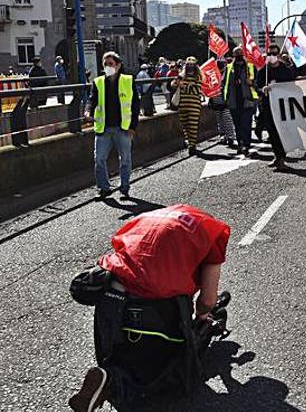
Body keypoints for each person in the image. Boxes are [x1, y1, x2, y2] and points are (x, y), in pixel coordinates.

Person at [67, 204, 231, 412]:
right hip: (157, 308)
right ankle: (114, 383)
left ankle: (108, 373)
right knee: (168, 370)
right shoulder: (212, 232)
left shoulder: (149, 217)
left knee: (123, 349)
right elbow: (207, 300)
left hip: (111, 297)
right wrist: (202, 317)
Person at [84, 52, 139, 198]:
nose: (108, 67)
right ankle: (104, 188)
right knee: (99, 158)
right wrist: (87, 112)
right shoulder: (98, 82)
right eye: (105, 64)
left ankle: (124, 186)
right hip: (103, 127)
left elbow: (135, 105)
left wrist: (133, 126)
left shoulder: (128, 80)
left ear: (118, 65)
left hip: (123, 127)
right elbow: (92, 100)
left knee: (125, 159)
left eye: (111, 64)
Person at [256, 44, 295, 169]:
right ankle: (277, 156)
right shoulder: (263, 71)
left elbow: (292, 86)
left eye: (274, 54)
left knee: (282, 132)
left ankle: (281, 156)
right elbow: (257, 87)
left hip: (284, 107)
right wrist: (262, 89)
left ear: (278, 55)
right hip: (268, 107)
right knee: (272, 132)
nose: (271, 56)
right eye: (269, 54)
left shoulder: (286, 70)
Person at [224, 47, 257, 157]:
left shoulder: (250, 67)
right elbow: (224, 83)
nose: (238, 55)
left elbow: (257, 82)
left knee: (246, 125)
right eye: (236, 53)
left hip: (247, 101)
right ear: (233, 55)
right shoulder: (229, 67)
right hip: (234, 101)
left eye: (240, 53)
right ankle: (240, 144)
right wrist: (226, 99)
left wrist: (251, 82)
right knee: (237, 125)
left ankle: (246, 145)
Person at [171, 57, 203, 156]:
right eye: (188, 64)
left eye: (192, 64)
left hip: (194, 105)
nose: (190, 66)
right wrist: (176, 83)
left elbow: (197, 90)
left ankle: (192, 145)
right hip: (182, 105)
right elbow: (172, 84)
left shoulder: (198, 76)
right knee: (185, 125)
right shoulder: (181, 75)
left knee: (193, 126)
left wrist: (184, 86)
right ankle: (189, 142)